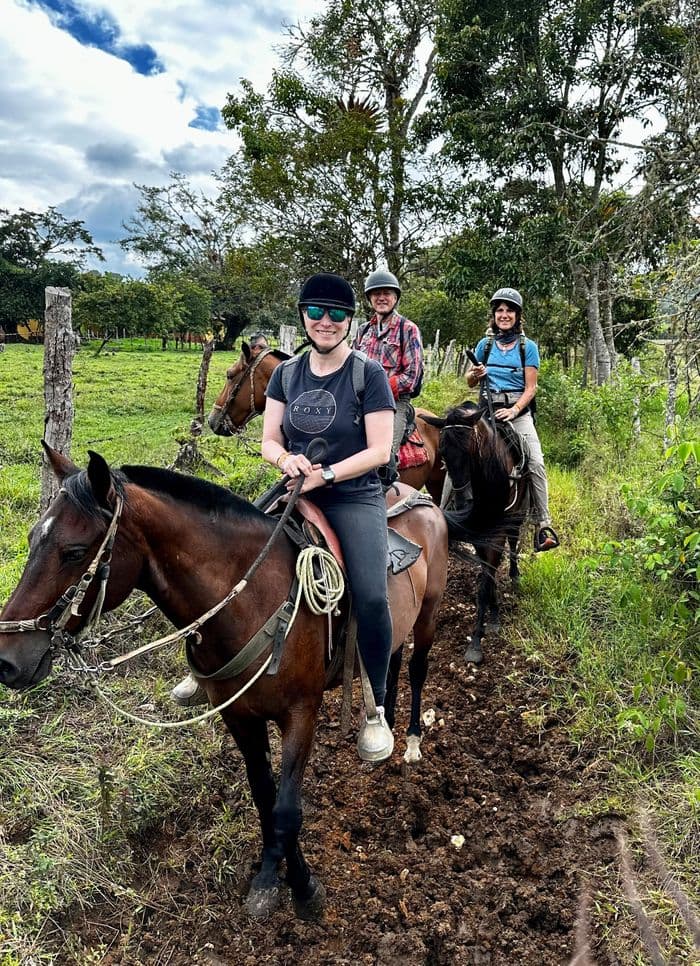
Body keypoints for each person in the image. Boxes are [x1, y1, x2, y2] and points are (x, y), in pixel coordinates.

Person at [262, 272, 397, 762]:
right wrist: (286, 462)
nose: (325, 321)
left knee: (371, 592)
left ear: (349, 320)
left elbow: (380, 451)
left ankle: (377, 707)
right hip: (296, 487)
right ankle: (210, 665)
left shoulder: (368, 375)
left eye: (336, 313)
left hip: (352, 494)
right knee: (235, 551)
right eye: (316, 312)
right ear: (302, 316)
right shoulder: (286, 374)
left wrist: (329, 475)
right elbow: (269, 441)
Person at [466, 287, 560, 552]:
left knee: (535, 461)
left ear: (518, 315)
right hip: (486, 410)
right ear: (494, 315)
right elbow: (470, 381)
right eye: (499, 310)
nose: (504, 315)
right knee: (458, 454)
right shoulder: (484, 346)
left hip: (516, 413)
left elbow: (531, 388)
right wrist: (476, 373)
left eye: (509, 310)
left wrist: (514, 411)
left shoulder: (527, 347)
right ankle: (449, 513)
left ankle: (543, 525)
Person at [352, 270, 423, 479]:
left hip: (394, 403)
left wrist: (377, 390)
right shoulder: (363, 331)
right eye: (376, 293)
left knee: (382, 455)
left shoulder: (408, 329)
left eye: (387, 293)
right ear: (369, 298)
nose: (381, 297)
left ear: (395, 297)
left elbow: (412, 376)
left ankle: (381, 497)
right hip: (359, 400)